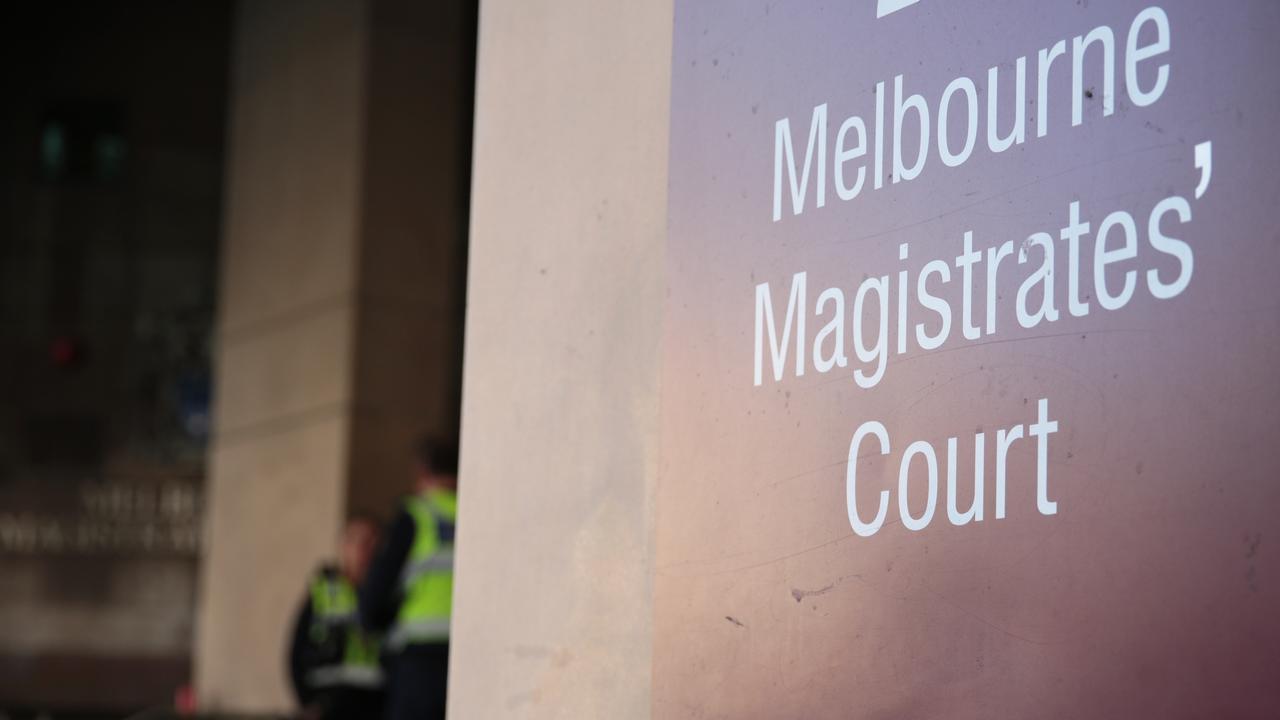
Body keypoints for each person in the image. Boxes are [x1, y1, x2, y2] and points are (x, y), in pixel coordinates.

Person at [360, 437, 458, 720]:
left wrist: (371, 620)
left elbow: (378, 589)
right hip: (469, 652)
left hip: (420, 658)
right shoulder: (479, 513)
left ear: (422, 472)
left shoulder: (417, 515)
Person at [288, 514, 385, 720]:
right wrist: (307, 702)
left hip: (374, 703)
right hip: (327, 703)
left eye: (369, 541)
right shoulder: (322, 591)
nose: (361, 549)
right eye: (353, 539)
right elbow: (296, 651)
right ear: (342, 545)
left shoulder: (388, 593)